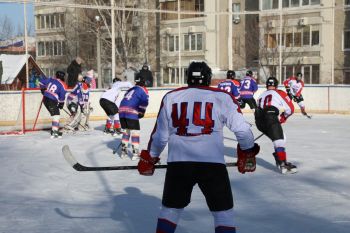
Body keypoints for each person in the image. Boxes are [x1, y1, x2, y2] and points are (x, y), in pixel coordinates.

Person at [137, 61, 260, 233]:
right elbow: (242, 130)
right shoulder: (222, 97)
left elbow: (160, 135)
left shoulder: (171, 97)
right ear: (208, 78)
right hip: (212, 164)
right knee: (223, 213)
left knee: (170, 211)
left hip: (179, 164)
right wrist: (247, 152)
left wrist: (150, 157)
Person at [255, 76, 297, 174]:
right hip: (270, 118)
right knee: (280, 141)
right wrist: (283, 117)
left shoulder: (261, 95)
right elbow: (290, 109)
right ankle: (283, 163)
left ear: (267, 85)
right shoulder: (280, 93)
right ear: (276, 85)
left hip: (259, 121)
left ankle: (280, 160)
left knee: (281, 138)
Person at [118, 75, 149, 160]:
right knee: (135, 132)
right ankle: (135, 154)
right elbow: (144, 102)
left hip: (121, 111)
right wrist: (141, 112)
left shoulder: (130, 89)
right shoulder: (143, 90)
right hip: (131, 112)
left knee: (126, 131)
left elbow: (127, 99)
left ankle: (123, 152)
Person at [39, 71, 67, 138]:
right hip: (51, 100)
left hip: (45, 99)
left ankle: (55, 130)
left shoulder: (51, 79)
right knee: (56, 115)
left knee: (56, 114)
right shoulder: (63, 84)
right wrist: (61, 103)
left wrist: (43, 89)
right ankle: (54, 132)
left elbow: (41, 81)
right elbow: (62, 95)